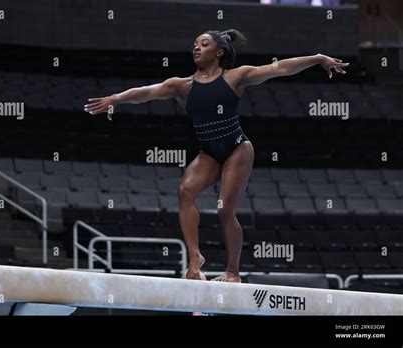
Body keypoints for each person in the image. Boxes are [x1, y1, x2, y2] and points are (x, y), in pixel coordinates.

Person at [84, 29, 349, 283]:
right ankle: (195, 259)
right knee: (184, 191)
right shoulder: (182, 86)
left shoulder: (236, 77)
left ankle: (233, 270)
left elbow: (279, 68)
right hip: (210, 152)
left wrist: (316, 58)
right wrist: (115, 99)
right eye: (194, 45)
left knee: (224, 209)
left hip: (237, 148)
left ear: (219, 51)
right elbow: (146, 92)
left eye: (203, 44)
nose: (196, 48)